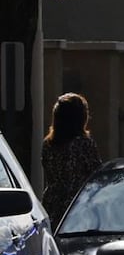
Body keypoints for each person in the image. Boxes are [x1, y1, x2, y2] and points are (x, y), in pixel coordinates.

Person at [40, 92, 101, 229]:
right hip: (78, 207)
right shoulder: (83, 143)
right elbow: (96, 175)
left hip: (52, 206)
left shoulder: (48, 144)